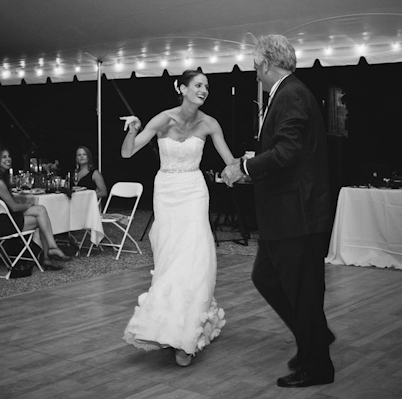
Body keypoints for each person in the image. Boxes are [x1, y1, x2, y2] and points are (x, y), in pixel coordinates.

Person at [222, 34, 335, 388]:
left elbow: (287, 152)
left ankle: (317, 366)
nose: (255, 73)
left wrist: (244, 167)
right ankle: (314, 335)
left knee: (302, 291)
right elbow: (288, 151)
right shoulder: (289, 93)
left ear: (267, 63)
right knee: (267, 278)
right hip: (285, 217)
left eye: (256, 66)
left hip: (296, 216)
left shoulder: (290, 95)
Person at [120, 69, 236, 367]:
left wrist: (245, 166)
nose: (204, 90)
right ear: (182, 88)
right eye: (198, 85)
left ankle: (186, 334)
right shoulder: (163, 119)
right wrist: (133, 128)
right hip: (167, 191)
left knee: (197, 258)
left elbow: (230, 161)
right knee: (170, 259)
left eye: (206, 86)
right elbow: (128, 153)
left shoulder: (209, 123)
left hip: (194, 192)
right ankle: (164, 326)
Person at [0, 147, 70, 270]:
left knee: (41, 210)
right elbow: (14, 207)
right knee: (42, 219)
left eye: (9, 156)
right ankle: (48, 253)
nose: (8, 159)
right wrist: (28, 204)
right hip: (2, 225)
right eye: (4, 157)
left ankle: (51, 249)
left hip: (2, 219)